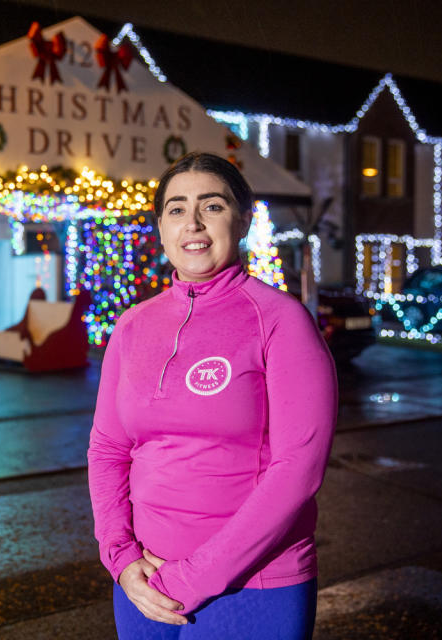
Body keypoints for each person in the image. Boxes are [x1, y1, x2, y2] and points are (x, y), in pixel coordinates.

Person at [87, 151, 337, 639]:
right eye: (176, 209)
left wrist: (193, 576)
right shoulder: (133, 326)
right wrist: (120, 557)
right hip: (144, 582)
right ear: (160, 227)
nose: (193, 222)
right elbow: (108, 448)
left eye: (213, 206)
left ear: (242, 220)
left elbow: (298, 470)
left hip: (254, 587)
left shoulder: (281, 321)